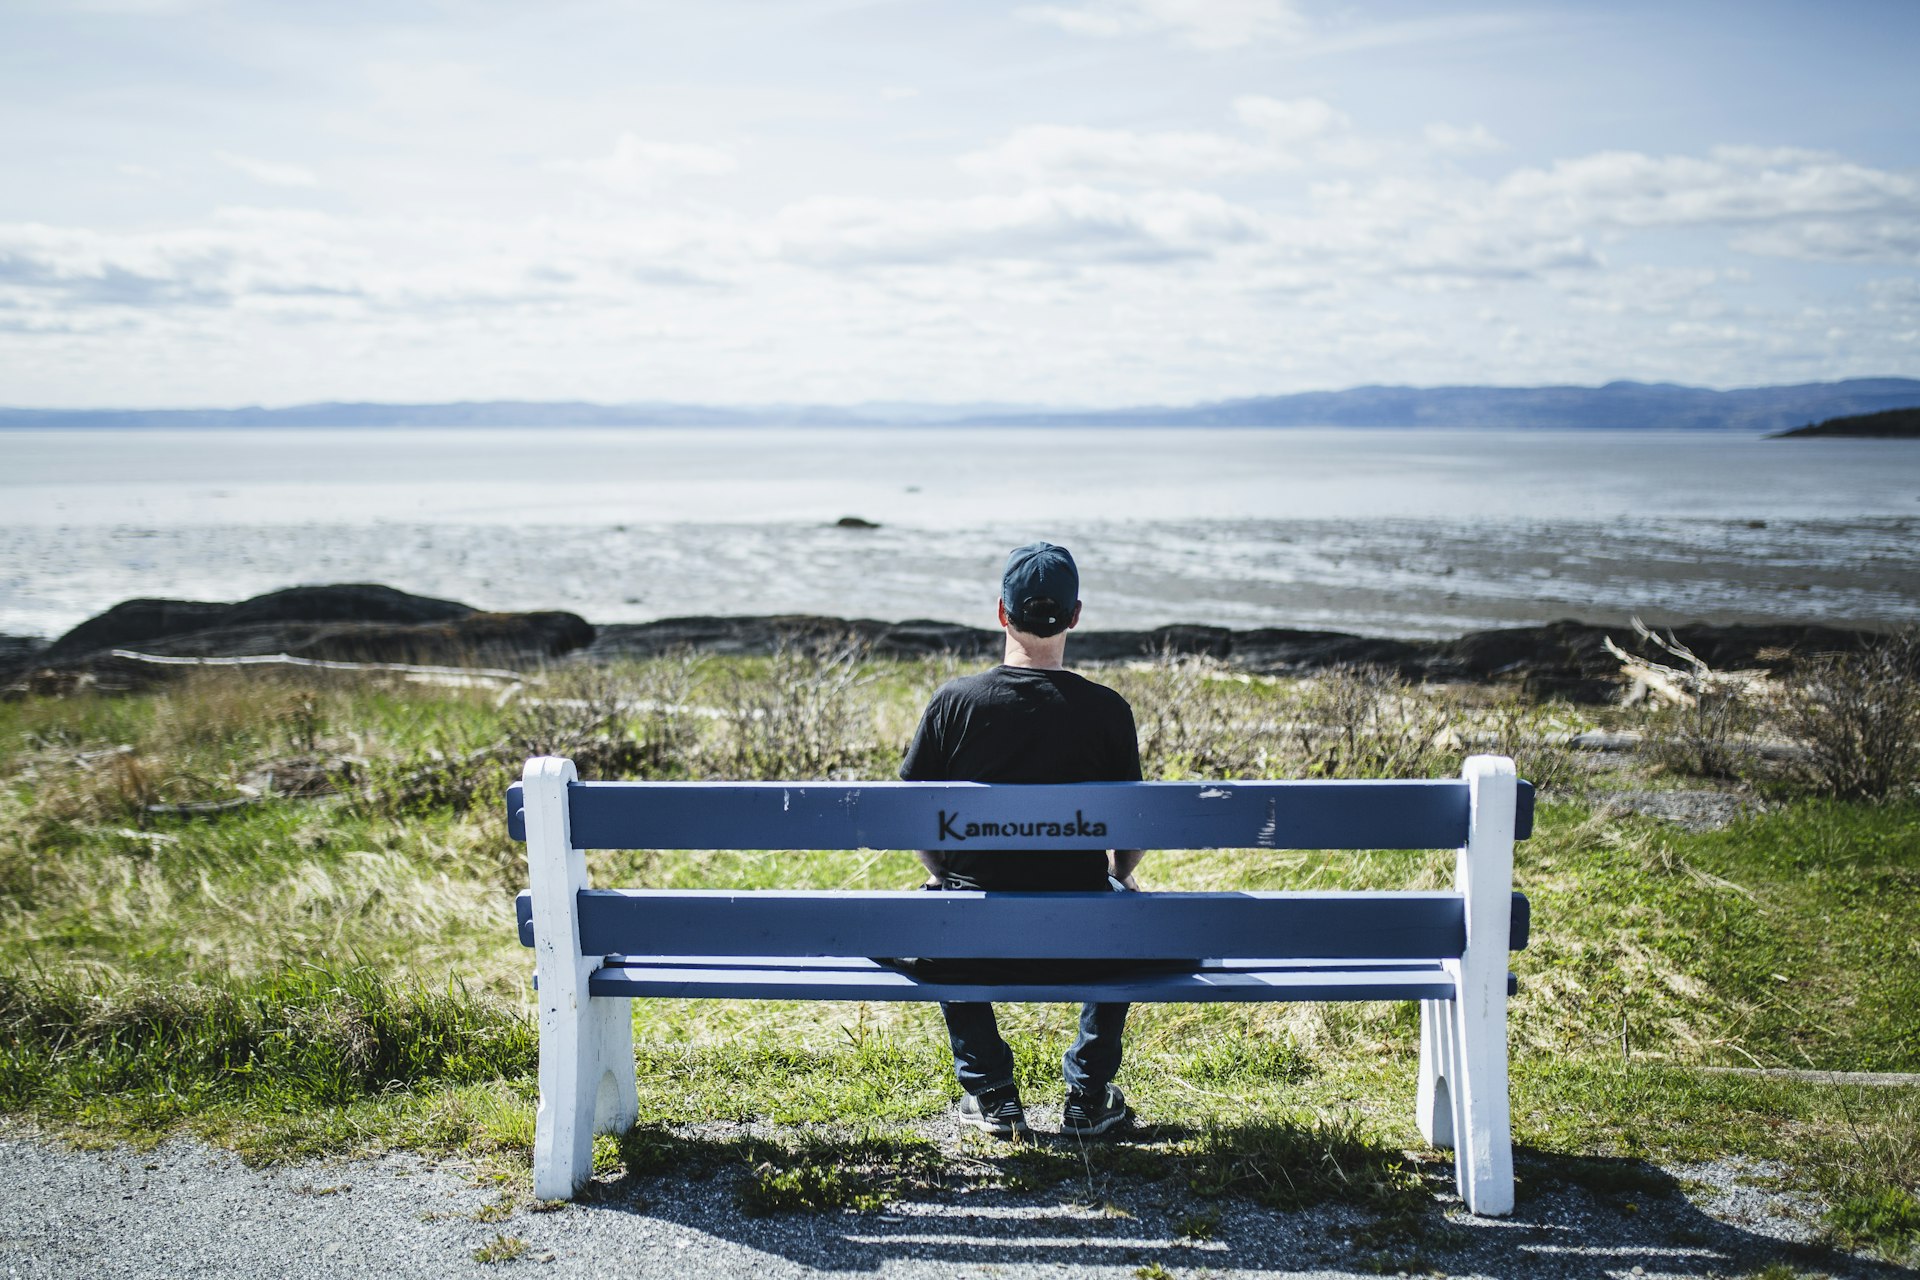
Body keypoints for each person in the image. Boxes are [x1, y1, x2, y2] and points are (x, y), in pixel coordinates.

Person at [898, 541, 1145, 1140]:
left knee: (933, 918)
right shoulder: (1108, 710)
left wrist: (940, 873)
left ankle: (992, 1094)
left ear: (1001, 613)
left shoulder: (955, 704)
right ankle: (1088, 1095)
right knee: (1133, 920)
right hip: (1084, 934)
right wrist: (1121, 873)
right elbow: (1131, 832)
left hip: (971, 937)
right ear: (1074, 616)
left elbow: (909, 814)